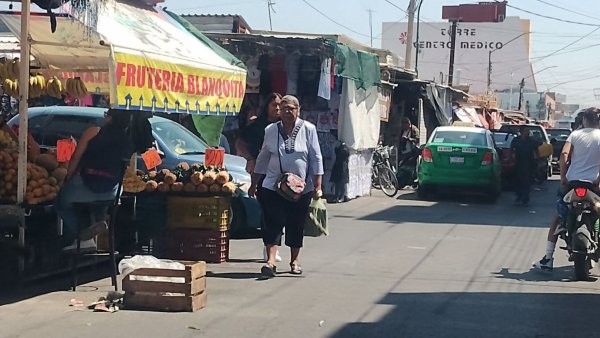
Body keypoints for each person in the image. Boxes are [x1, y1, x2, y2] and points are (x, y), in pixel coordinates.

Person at [249, 95, 324, 278]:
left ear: (298, 110)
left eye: (291, 108)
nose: (287, 112)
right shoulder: (271, 130)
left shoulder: (308, 129)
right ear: (279, 111)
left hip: (301, 188)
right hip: (273, 185)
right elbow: (263, 157)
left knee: (296, 223)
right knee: (272, 222)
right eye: (284, 109)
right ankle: (271, 261)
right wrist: (254, 183)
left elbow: (316, 156)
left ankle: (294, 260)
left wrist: (318, 182)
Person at [56, 110, 134, 251]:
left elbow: (75, 158)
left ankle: (81, 233)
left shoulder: (93, 132)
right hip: (112, 193)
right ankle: (98, 219)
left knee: (61, 201)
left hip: (86, 187)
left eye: (106, 115)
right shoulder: (128, 140)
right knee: (96, 203)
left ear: (110, 118)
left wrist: (67, 179)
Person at [534, 108, 600, 271]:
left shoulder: (575, 135)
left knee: (558, 217)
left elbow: (564, 155)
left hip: (572, 183)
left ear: (584, 120)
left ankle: (548, 258)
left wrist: (563, 177)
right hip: (595, 185)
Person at [236, 93, 283, 262]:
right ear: (267, 107)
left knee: (280, 213)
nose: (277, 109)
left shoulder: (287, 126)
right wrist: (250, 158)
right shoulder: (257, 126)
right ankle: (269, 247)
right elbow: (239, 143)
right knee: (269, 213)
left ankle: (273, 246)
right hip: (262, 174)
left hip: (282, 175)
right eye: (273, 105)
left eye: (279, 105)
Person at [511, 125, 540, 206]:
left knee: (527, 181)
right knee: (518, 181)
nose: (527, 133)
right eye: (526, 131)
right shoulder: (516, 140)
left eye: (528, 131)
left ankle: (525, 197)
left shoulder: (531, 141)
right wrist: (511, 159)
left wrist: (537, 161)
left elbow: (537, 151)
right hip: (518, 163)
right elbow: (512, 150)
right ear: (521, 132)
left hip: (529, 164)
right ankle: (519, 195)